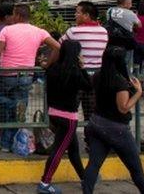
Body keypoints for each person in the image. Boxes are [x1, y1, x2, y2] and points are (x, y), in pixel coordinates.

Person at [81, 46, 144, 194]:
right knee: (135, 168)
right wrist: (138, 92)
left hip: (96, 122)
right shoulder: (120, 81)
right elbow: (123, 108)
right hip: (116, 128)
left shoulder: (97, 76)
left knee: (94, 164)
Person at [0, 3, 60, 151]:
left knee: (4, 106)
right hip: (26, 75)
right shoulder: (39, 31)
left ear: (17, 15)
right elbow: (58, 47)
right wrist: (47, 63)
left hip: (6, 74)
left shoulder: (6, 30)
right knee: (19, 109)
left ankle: (5, 141)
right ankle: (9, 141)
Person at [37, 40, 90, 194]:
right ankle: (45, 182)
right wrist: (83, 68)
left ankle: (84, 177)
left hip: (54, 113)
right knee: (59, 150)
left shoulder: (53, 68)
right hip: (68, 118)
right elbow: (88, 86)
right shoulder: (74, 72)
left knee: (73, 148)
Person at [59, 1, 108, 69]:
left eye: (78, 12)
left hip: (81, 73)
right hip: (98, 72)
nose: (75, 15)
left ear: (86, 15)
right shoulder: (104, 31)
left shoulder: (74, 31)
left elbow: (58, 46)